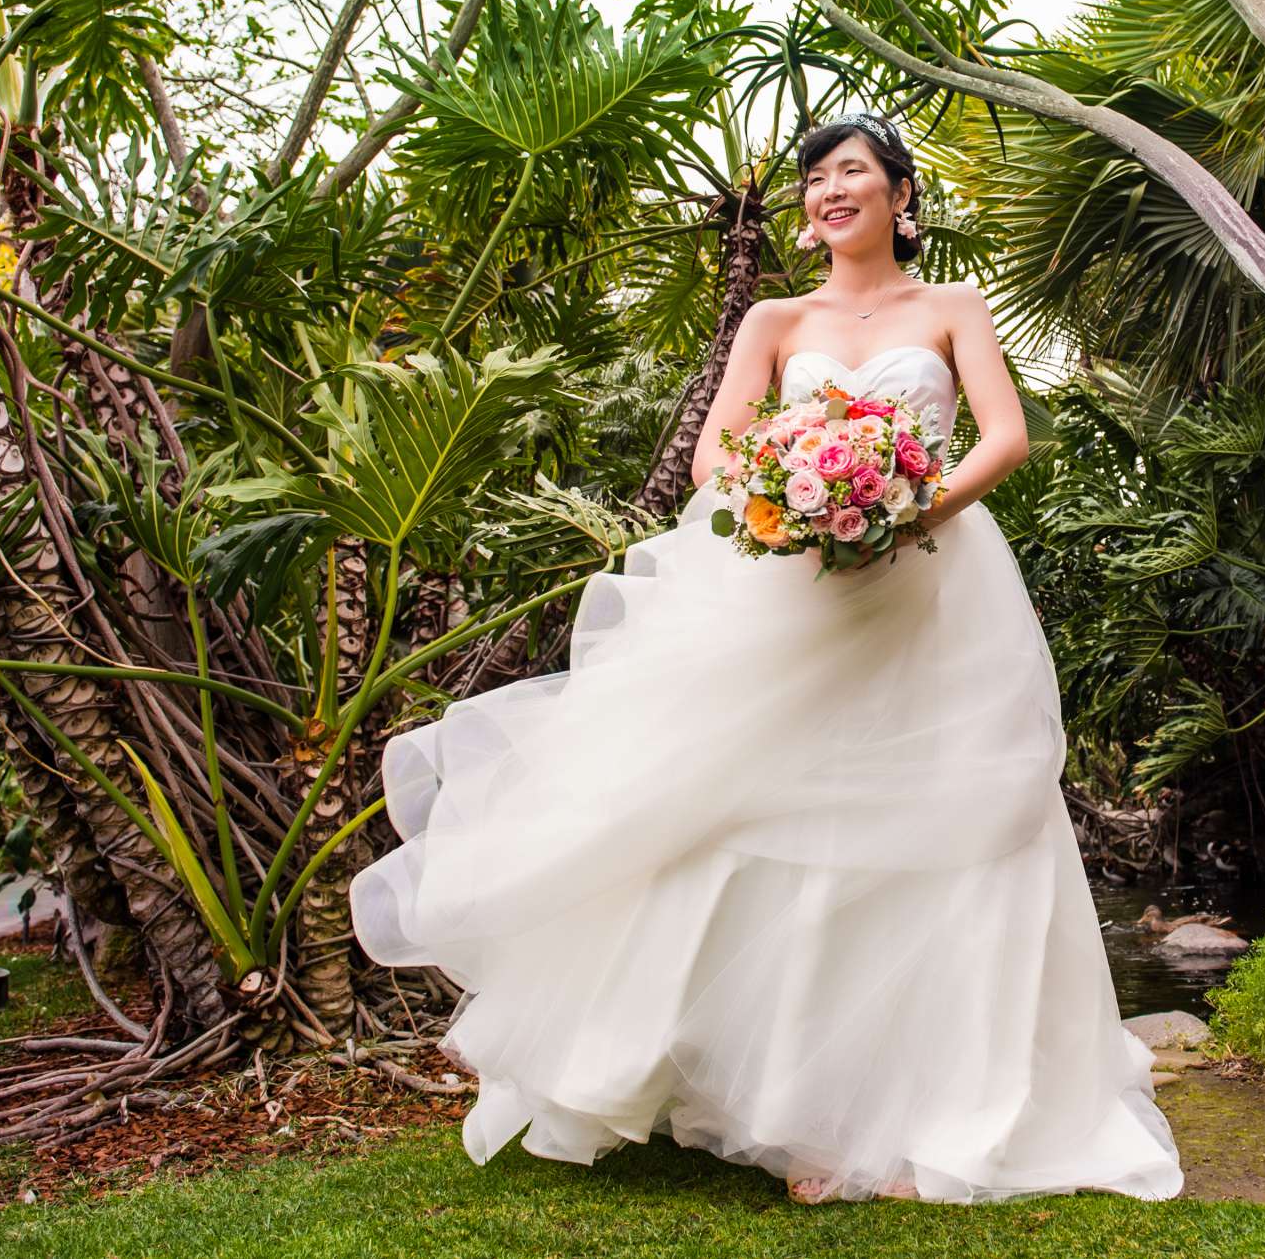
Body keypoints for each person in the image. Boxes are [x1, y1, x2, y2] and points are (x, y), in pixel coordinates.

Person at [348, 109, 1186, 1206]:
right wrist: (806, 505)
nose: (830, 192)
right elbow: (717, 453)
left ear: (899, 193)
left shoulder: (951, 307)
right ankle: (792, 1108)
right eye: (815, 180)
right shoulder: (773, 318)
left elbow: (1004, 435)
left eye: (852, 173)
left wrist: (904, 505)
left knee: (939, 826)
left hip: (935, 591)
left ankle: (932, 1106)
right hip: (790, 594)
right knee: (762, 824)